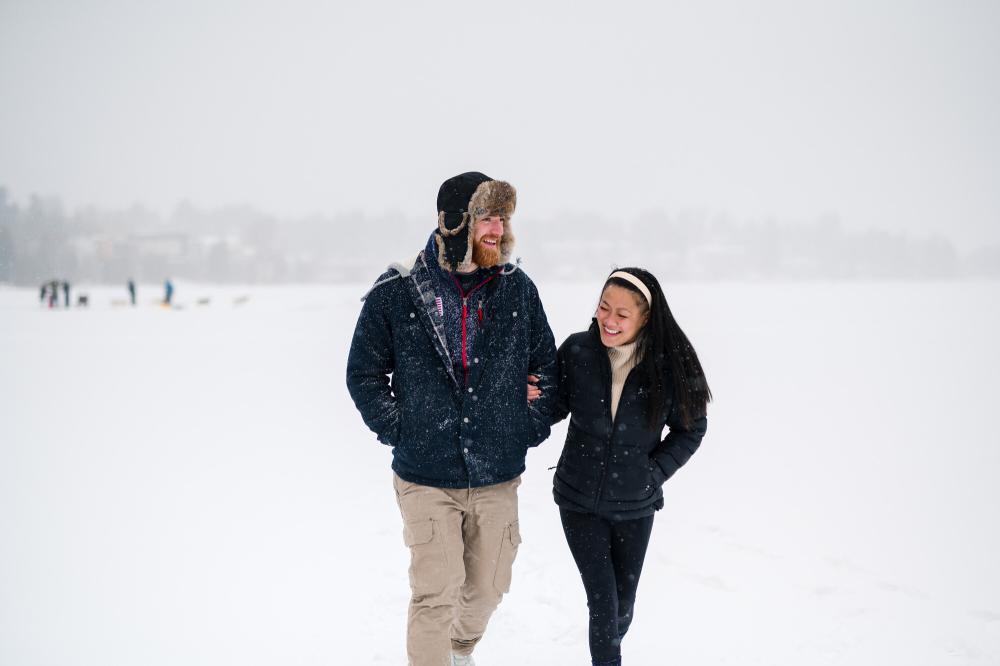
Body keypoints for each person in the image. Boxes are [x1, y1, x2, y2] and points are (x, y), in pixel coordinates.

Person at [347, 172, 558, 666]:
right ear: (454, 222)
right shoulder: (398, 292)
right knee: (435, 593)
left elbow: (547, 369)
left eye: (503, 219)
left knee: (487, 589)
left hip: (496, 471)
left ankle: (461, 650)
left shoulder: (518, 290)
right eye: (487, 217)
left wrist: (522, 426)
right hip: (425, 475)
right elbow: (364, 375)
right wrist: (404, 428)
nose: (498, 230)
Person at [547, 268, 711, 666]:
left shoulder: (666, 368)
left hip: (634, 507)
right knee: (603, 602)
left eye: (622, 314)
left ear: (645, 319)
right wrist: (527, 396)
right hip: (578, 499)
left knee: (622, 606)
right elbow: (552, 407)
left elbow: (691, 429)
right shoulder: (577, 353)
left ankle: (609, 643)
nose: (609, 320)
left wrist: (651, 475)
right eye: (604, 308)